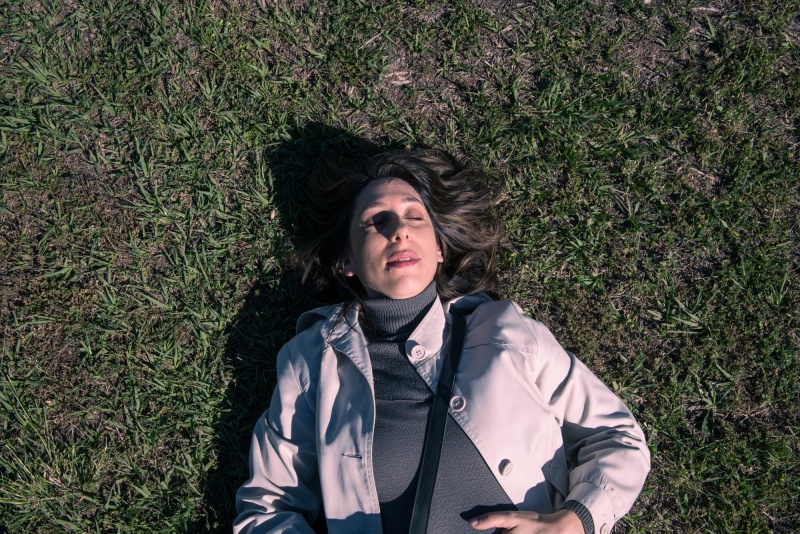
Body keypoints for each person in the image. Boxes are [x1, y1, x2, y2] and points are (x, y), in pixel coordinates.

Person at [234, 150, 650, 534]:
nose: (399, 231)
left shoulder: (506, 331)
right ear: (347, 260)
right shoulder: (313, 362)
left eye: (414, 217)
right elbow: (269, 507)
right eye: (376, 221)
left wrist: (573, 522)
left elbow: (618, 436)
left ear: (438, 249)